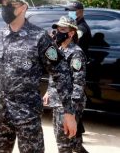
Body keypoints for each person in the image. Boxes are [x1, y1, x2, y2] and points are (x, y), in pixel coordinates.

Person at [0, 0, 77, 153]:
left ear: (23, 7)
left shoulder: (40, 38)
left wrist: (68, 112)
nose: (5, 7)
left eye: (10, 4)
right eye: (3, 4)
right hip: (1, 115)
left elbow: (61, 73)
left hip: (27, 115)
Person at [43, 16, 88, 153]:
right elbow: (55, 75)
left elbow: (78, 84)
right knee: (74, 143)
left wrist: (71, 111)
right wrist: (48, 92)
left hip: (68, 105)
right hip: (58, 101)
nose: (58, 32)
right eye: (57, 29)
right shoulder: (59, 50)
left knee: (63, 144)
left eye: (62, 29)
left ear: (71, 33)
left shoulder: (76, 53)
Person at [65, 0, 91, 140]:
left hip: (76, 68)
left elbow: (73, 43)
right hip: (74, 67)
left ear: (80, 11)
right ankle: (77, 132)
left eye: (72, 10)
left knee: (75, 101)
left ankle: (76, 134)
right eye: (68, 10)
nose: (70, 13)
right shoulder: (76, 26)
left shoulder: (81, 28)